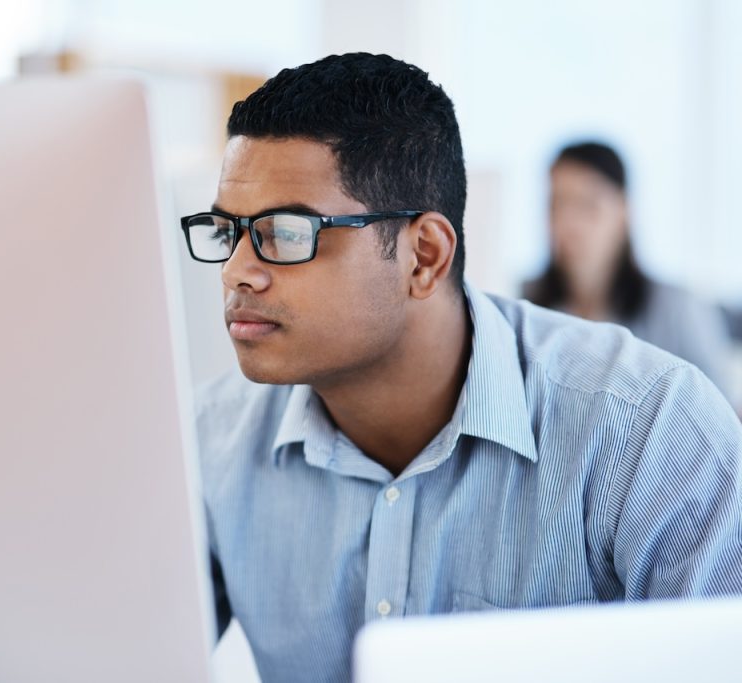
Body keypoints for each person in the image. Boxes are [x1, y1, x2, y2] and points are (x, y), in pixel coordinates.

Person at [180, 53, 742, 683]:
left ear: (424, 256)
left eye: (285, 233)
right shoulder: (207, 442)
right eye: (227, 231)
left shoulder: (652, 431)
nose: (235, 272)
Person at [524, 141, 734, 398]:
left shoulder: (675, 307)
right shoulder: (528, 306)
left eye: (588, 206)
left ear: (624, 211)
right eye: (557, 204)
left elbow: (720, 412)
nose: (569, 224)